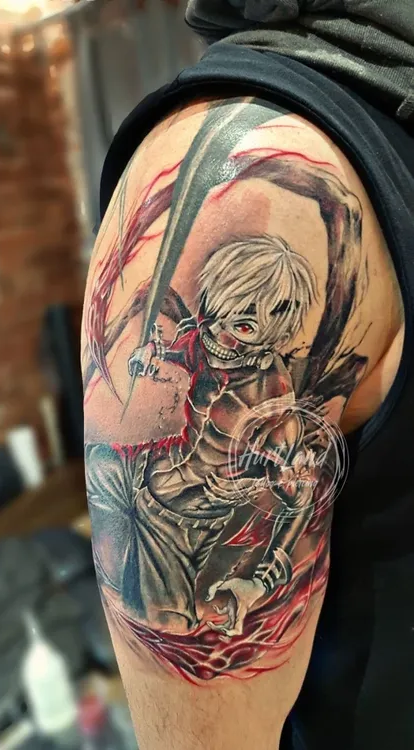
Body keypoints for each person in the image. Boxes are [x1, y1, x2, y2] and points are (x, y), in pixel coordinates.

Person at [82, 2, 414, 748]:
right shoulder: (255, 140)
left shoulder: (275, 396)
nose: (243, 334)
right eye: (235, 315)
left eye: (266, 321)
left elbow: (287, 491)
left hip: (216, 524)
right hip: (165, 511)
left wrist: (256, 574)